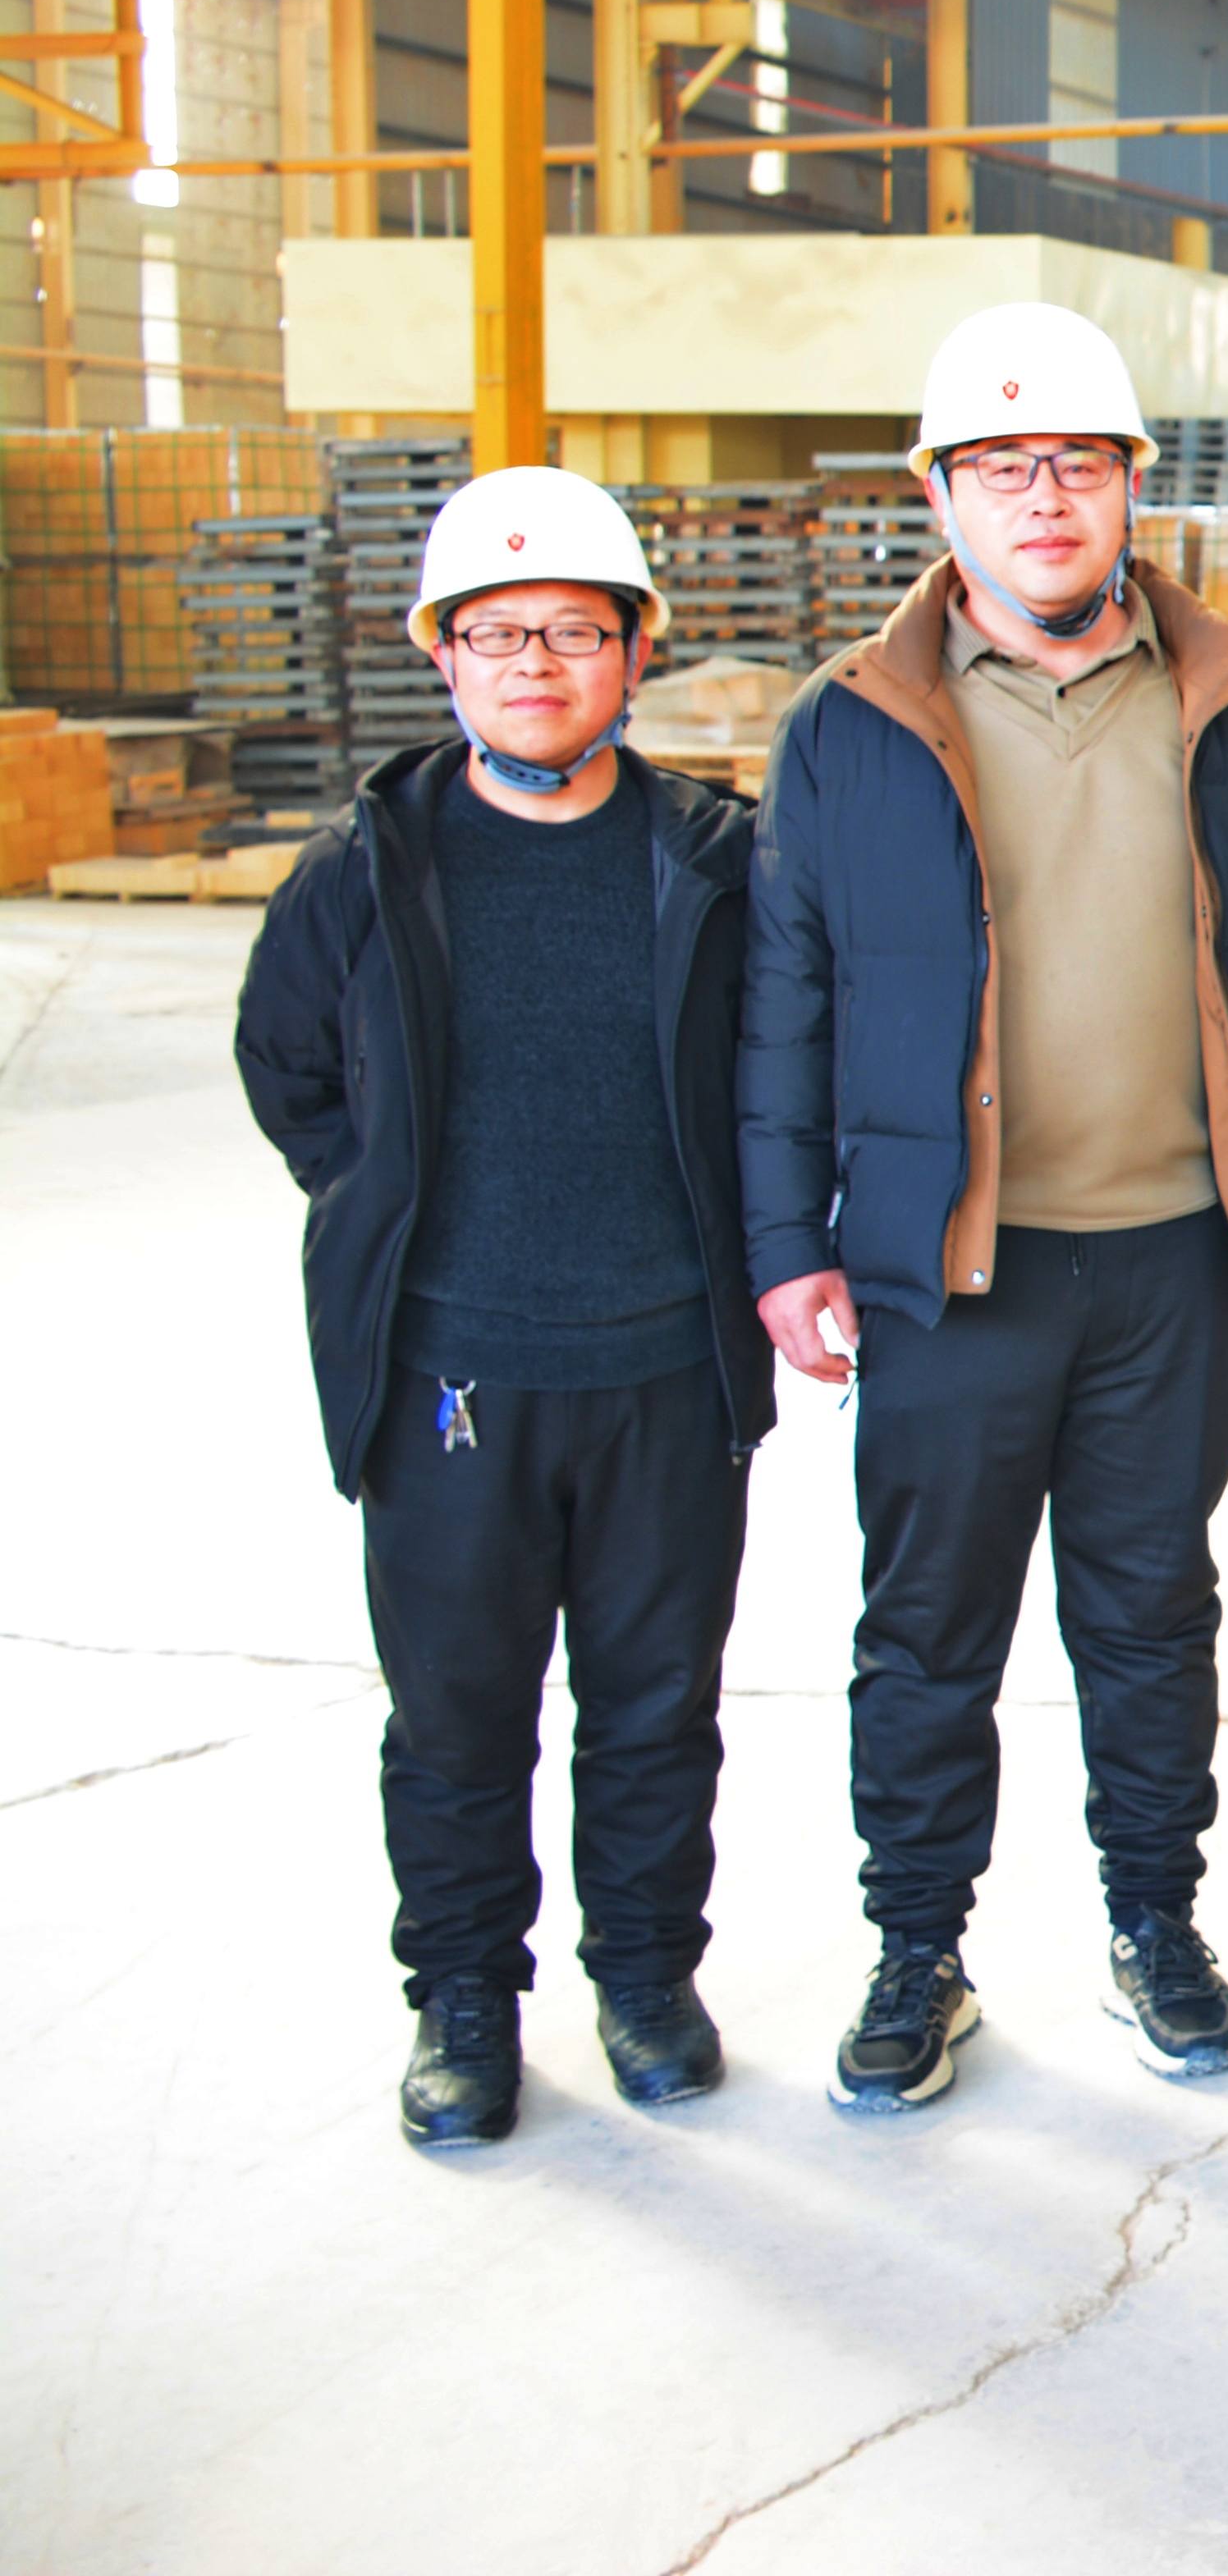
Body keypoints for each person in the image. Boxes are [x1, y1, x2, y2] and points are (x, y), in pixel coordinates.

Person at [744, 301, 1228, 2116]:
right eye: (1002, 467)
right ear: (940, 497)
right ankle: (917, 1949)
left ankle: (1157, 1925)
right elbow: (787, 998)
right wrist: (786, 1243)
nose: (1045, 497)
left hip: (1172, 1256)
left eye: (1077, 461)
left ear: (1133, 484)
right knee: (930, 1631)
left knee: (1150, 1618)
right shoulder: (852, 727)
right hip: (952, 1269)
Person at [236, 469, 779, 2148]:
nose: (534, 662)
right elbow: (287, 1067)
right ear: (443, 655)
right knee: (459, 1718)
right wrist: (394, 1207)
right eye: (496, 633)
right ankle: (465, 1997)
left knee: (654, 1710)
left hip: (667, 1369)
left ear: (633, 651)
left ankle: (645, 1978)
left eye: (571, 631)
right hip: (450, 1376)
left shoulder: (714, 862)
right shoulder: (366, 866)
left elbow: (780, 1072)